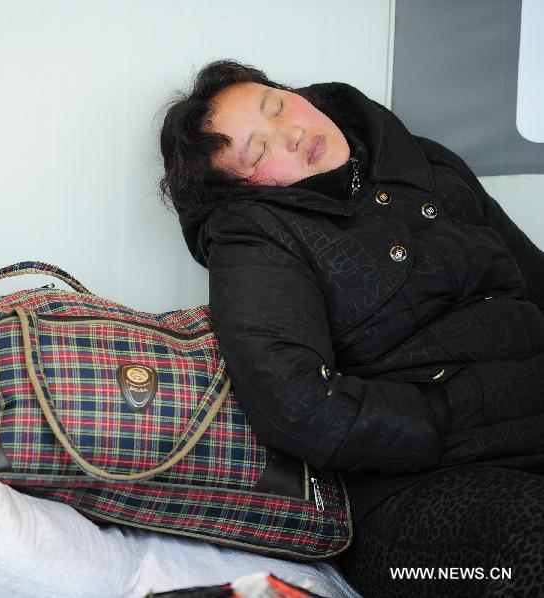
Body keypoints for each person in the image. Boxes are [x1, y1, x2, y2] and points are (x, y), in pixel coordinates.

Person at [159, 60, 544, 597]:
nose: (292, 133)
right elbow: (298, 404)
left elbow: (536, 285)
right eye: (259, 151)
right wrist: (465, 414)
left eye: (278, 105)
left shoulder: (427, 163)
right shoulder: (255, 237)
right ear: (241, 191)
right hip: (415, 499)